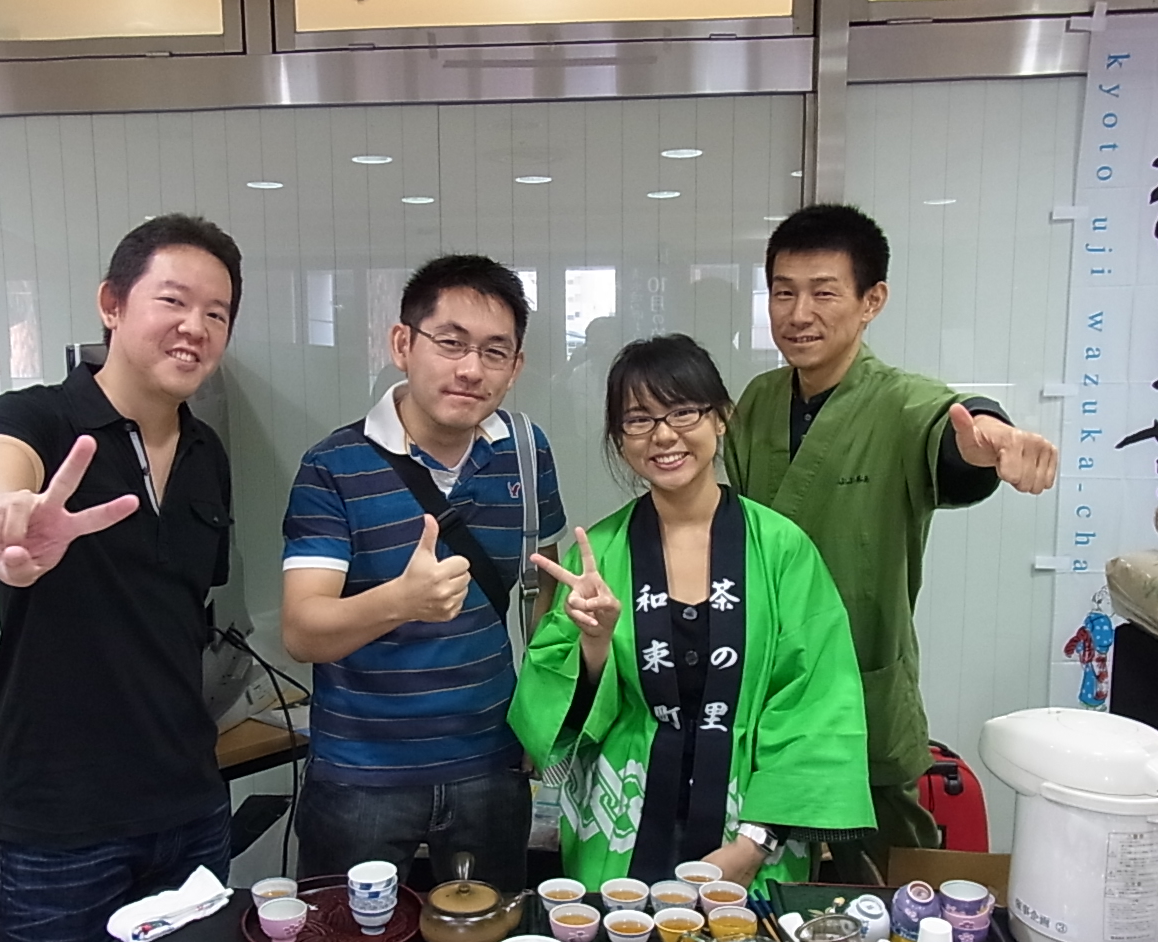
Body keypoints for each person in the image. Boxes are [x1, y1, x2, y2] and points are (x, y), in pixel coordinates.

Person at [725, 204, 1058, 882]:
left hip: (862, 685)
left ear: (871, 301)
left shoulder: (903, 402)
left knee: (889, 885)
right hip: (762, 683)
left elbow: (955, 431)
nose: (798, 313)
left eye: (823, 292)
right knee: (758, 879)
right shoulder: (758, 400)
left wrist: (990, 439)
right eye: (783, 292)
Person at [0, 214, 242, 942]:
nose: (195, 327)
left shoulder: (209, 453)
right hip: (59, 826)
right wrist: (5, 522)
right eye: (173, 301)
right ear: (111, 304)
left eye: (217, 313)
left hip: (190, 809)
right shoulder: (39, 418)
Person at [509, 334, 874, 891]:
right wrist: (595, 644)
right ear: (619, 439)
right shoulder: (599, 555)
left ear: (721, 418)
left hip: (749, 827)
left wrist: (756, 842)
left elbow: (817, 703)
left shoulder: (781, 550)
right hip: (622, 827)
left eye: (683, 411)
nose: (663, 435)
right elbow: (550, 714)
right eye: (639, 419)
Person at [280, 254, 566, 890]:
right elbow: (302, 630)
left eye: (495, 352)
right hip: (361, 775)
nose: (471, 369)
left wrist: (539, 717)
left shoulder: (526, 452)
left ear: (515, 367)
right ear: (403, 344)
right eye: (451, 343)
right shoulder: (333, 466)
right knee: (348, 933)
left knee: (491, 932)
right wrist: (402, 601)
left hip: (491, 763)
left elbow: (541, 587)